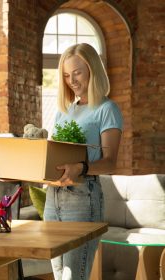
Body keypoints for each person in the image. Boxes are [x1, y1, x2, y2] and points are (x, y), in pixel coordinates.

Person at [44, 43, 123, 280]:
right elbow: (56, 154)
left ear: (92, 70)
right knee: (58, 274)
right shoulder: (64, 110)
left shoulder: (107, 109)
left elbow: (110, 162)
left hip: (83, 197)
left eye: (77, 72)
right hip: (53, 196)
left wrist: (82, 168)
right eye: (67, 75)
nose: (72, 80)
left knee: (73, 277)